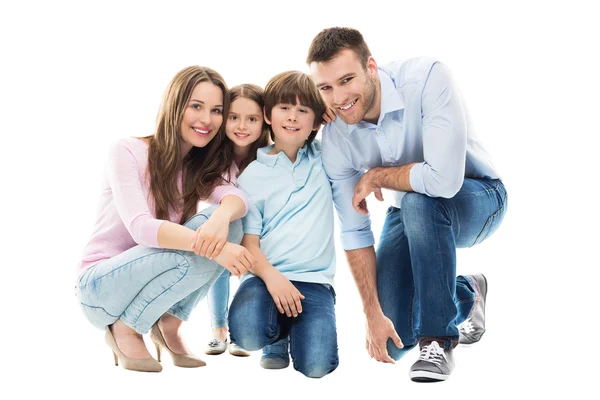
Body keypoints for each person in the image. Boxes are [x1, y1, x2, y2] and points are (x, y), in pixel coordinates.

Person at [307, 27, 507, 382]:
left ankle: (438, 341)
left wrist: (378, 176)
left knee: (421, 202)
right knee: (395, 340)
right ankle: (468, 292)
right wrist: (371, 314)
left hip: (477, 198)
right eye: (326, 88)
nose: (338, 98)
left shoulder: (427, 77)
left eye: (346, 79)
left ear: (370, 66)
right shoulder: (335, 137)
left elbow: (443, 182)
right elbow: (354, 231)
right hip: (410, 212)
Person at [75, 66, 257, 373]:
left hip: (149, 282)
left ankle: (167, 322)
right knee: (197, 250)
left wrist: (222, 215)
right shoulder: (128, 150)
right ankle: (125, 328)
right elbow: (142, 228)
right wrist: (218, 249)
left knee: (233, 226)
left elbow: (239, 200)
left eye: (215, 110)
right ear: (175, 104)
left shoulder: (197, 169)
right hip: (101, 287)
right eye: (196, 106)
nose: (206, 120)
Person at [228, 71, 339, 378]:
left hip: (313, 282)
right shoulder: (250, 176)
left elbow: (347, 125)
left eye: (303, 110)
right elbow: (249, 243)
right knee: (248, 334)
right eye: (284, 108)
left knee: (317, 367)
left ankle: (289, 331)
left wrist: (328, 107)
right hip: (264, 278)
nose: (293, 117)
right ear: (267, 115)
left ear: (316, 122)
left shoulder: (325, 157)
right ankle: (275, 335)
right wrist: (274, 280)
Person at [204, 84, 270, 357]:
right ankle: (219, 327)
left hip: (259, 229)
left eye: (252, 119)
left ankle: (240, 327)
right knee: (220, 255)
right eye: (234, 117)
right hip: (225, 226)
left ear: (263, 121)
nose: (242, 126)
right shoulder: (214, 156)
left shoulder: (268, 157)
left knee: (253, 262)